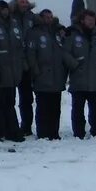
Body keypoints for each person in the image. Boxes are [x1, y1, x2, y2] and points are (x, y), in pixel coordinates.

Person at [65, 9, 96, 139]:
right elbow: (66, 53)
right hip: (79, 78)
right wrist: (74, 65)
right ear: (82, 20)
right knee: (78, 108)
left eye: (93, 20)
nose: (91, 22)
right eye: (88, 19)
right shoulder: (73, 34)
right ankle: (78, 132)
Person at [0, 0, 25, 143]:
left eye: (6, 9)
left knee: (9, 102)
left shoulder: (14, 24)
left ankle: (11, 130)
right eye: (3, 9)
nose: (6, 12)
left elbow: (19, 48)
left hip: (12, 72)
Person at [26, 9, 66, 140]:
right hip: (42, 76)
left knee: (55, 107)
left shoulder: (56, 32)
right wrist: (36, 71)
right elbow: (31, 55)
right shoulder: (35, 33)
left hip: (57, 76)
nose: (49, 19)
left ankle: (54, 132)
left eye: (50, 17)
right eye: (46, 17)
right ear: (41, 18)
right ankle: (43, 132)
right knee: (43, 107)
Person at [10, 0, 37, 136]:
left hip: (27, 63)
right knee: (7, 97)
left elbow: (46, 21)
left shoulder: (31, 17)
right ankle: (8, 125)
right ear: (15, 2)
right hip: (12, 62)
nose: (25, 4)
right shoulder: (8, 15)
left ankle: (26, 127)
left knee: (26, 98)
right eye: (22, 1)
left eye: (26, 1)